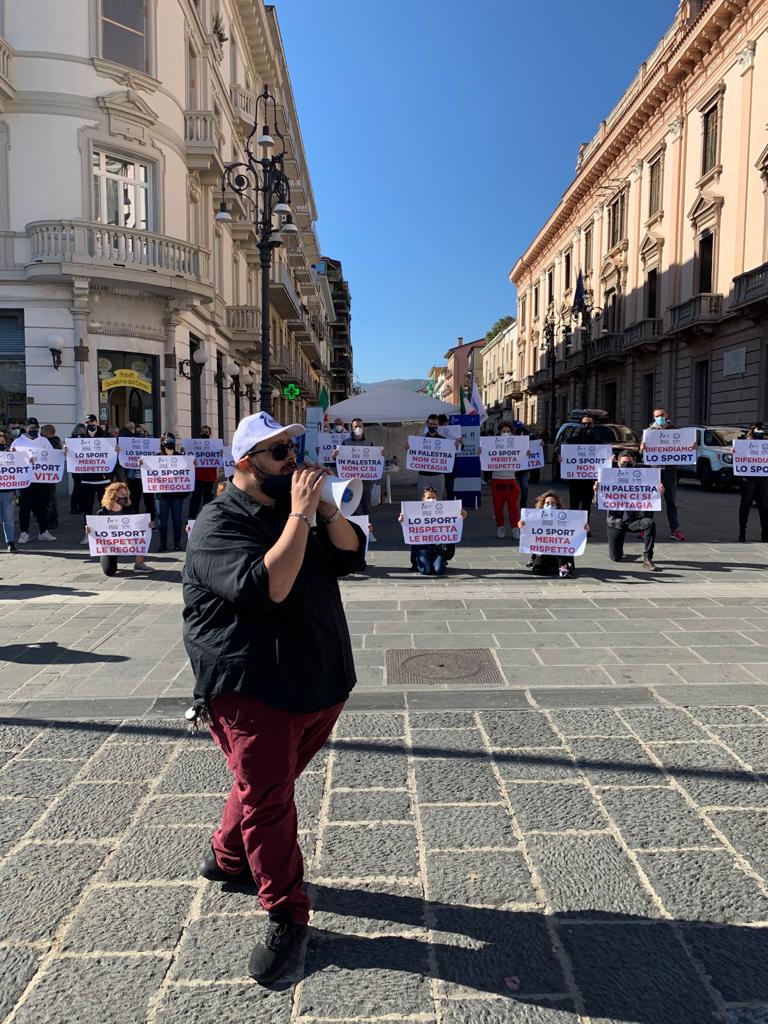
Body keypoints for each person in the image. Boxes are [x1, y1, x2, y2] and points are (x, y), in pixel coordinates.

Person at [183, 410, 365, 983]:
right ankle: (287, 912)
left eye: (293, 450)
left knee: (265, 784)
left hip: (318, 678)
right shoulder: (217, 524)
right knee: (269, 799)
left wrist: (327, 510)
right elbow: (270, 586)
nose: (293, 462)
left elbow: (350, 555)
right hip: (254, 687)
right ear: (245, 463)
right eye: (279, 453)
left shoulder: (298, 509)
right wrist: (301, 515)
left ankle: (227, 854)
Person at [599, 449, 663, 571]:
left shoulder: (641, 478)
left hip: (632, 519)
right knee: (616, 557)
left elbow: (650, 496)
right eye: (623, 463)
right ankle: (619, 546)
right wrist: (597, 492)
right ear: (618, 463)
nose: (626, 465)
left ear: (634, 463)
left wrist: (658, 491)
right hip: (615, 522)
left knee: (649, 523)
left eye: (629, 463)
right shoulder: (609, 478)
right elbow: (598, 503)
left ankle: (647, 558)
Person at [85, 481, 153, 576]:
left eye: (125, 494)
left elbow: (137, 526)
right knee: (109, 571)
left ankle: (139, 564)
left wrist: (147, 525)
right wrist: (89, 530)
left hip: (126, 541)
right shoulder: (102, 513)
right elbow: (96, 533)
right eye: (121, 494)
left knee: (141, 538)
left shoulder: (129, 509)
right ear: (112, 495)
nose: (124, 496)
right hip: (109, 545)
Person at [399, 484, 467, 576]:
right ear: (423, 499)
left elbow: (453, 521)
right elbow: (409, 526)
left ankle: (440, 561)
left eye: (433, 497)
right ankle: (419, 560)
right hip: (422, 549)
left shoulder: (443, 511)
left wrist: (463, 515)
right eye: (428, 497)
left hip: (437, 548)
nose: (431, 499)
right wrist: (402, 521)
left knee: (438, 570)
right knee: (426, 570)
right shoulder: (416, 511)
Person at [641, 407, 686, 541]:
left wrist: (692, 447)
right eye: (657, 416)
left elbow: (684, 447)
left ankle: (675, 529)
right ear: (654, 417)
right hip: (653, 471)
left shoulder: (675, 431)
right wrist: (642, 448)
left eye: (661, 415)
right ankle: (645, 528)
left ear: (666, 415)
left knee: (671, 501)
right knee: (651, 500)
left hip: (669, 470)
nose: (659, 418)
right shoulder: (649, 432)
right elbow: (641, 451)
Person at [519, 490, 585, 578]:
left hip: (560, 553)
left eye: (553, 503)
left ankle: (563, 566)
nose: (550, 505)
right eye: (547, 503)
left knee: (558, 544)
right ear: (543, 505)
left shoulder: (565, 518)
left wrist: (584, 528)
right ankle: (552, 566)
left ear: (557, 505)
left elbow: (575, 528)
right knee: (538, 570)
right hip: (543, 551)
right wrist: (521, 524)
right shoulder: (536, 517)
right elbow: (527, 527)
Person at [11, 418, 56, 544]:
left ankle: (43, 531)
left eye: (35, 428)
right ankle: (24, 532)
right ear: (26, 428)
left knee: (42, 507)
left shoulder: (44, 441)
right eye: (31, 428)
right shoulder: (18, 442)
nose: (33, 430)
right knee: (25, 508)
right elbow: (11, 460)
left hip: (41, 480)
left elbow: (52, 456)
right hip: (25, 481)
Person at [338, 417, 383, 540]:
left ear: (363, 427)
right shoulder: (346, 443)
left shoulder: (369, 443)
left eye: (360, 426)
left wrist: (381, 455)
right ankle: (353, 531)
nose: (358, 428)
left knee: (365, 505)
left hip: (365, 481)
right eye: (355, 426)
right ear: (352, 428)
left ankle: (368, 531)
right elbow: (340, 461)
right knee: (351, 505)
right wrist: (335, 456)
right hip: (351, 482)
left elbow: (375, 460)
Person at [153, 432, 191, 552]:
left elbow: (187, 471)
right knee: (162, 521)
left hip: (176, 494)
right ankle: (163, 543)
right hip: (161, 494)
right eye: (168, 442)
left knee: (177, 520)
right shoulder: (156, 457)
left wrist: (192, 465)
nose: (170, 445)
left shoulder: (181, 457)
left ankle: (177, 543)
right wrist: (142, 464)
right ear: (162, 443)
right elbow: (149, 471)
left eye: (172, 442)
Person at [735, 422, 768, 542]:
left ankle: (765, 534)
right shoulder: (744, 443)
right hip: (748, 477)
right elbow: (738, 455)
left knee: (764, 505)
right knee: (746, 504)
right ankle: (742, 533)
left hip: (763, 477)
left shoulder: (766, 442)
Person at [564, 413, 598, 519]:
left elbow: (602, 459)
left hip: (589, 480)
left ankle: (584, 526)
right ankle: (573, 526)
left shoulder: (598, 442)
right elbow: (564, 455)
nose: (586, 426)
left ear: (593, 425)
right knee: (574, 505)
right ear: (580, 425)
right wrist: (561, 458)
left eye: (589, 424)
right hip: (575, 480)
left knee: (586, 506)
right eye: (584, 424)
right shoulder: (571, 441)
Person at [415, 414, 457, 500]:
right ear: (427, 424)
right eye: (431, 424)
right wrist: (409, 447)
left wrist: (458, 444)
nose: (432, 426)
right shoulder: (420, 439)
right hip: (423, 475)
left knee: (438, 500)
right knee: (422, 499)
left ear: (438, 425)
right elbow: (413, 452)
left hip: (438, 475)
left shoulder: (444, 440)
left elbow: (455, 450)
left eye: (435, 424)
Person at [491, 422, 521, 540]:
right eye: (503, 431)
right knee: (498, 507)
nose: (506, 433)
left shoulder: (517, 445)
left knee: (513, 507)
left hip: (511, 480)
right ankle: (500, 527)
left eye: (508, 431)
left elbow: (524, 455)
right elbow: (486, 457)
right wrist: (480, 452)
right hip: (497, 480)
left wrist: (529, 452)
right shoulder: (493, 445)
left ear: (512, 433)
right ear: (499, 432)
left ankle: (515, 528)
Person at [189, 425, 218, 518]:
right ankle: (192, 518)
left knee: (208, 500)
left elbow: (220, 458)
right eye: (203, 432)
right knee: (195, 499)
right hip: (197, 476)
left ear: (210, 434)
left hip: (209, 477)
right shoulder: (194, 446)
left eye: (206, 432)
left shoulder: (215, 446)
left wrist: (221, 454)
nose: (204, 434)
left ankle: (206, 518)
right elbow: (188, 456)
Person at [41, 424, 62, 529]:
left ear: (47, 432)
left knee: (50, 498)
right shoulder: (55, 442)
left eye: (42, 431)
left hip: (49, 475)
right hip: (44, 474)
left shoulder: (53, 443)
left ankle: (52, 519)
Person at [0, 427, 18, 551]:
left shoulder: (13, 456)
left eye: (3, 442)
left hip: (8, 492)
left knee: (8, 519)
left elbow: (20, 471)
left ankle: (10, 542)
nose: (1, 444)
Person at [512, 420, 531, 509]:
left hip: (523, 467)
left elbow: (534, 444)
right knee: (511, 489)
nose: (517, 430)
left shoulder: (527, 436)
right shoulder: (507, 437)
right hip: (511, 468)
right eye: (516, 428)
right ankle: (512, 506)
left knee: (524, 487)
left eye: (519, 428)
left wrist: (540, 444)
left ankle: (523, 505)